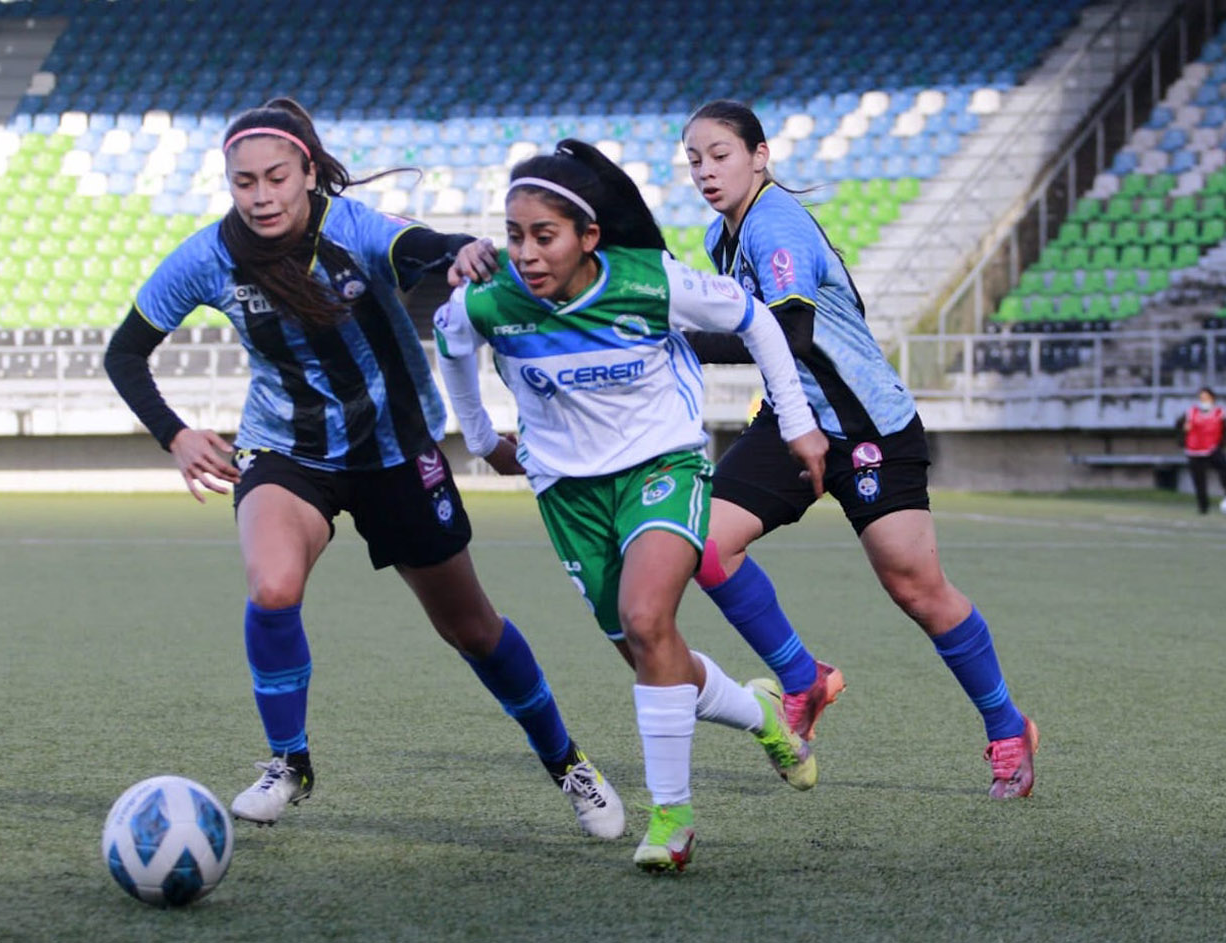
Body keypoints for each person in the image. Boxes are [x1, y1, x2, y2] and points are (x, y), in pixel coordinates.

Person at [103, 97, 626, 840]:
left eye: (276, 177)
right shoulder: (206, 255)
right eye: (243, 181)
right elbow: (124, 351)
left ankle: (568, 762)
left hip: (395, 452)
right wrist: (174, 434)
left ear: (309, 172)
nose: (260, 195)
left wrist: (462, 252)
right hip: (287, 450)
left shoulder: (349, 228)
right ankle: (289, 760)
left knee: (472, 628)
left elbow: (416, 247)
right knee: (273, 584)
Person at [434, 140, 826, 873]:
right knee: (653, 659)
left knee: (650, 622)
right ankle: (763, 714)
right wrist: (483, 438)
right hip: (568, 496)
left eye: (544, 236)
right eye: (515, 236)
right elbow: (449, 339)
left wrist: (799, 422)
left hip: (662, 466)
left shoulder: (650, 283)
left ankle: (671, 820)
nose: (526, 253)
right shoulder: (491, 302)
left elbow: (757, 319)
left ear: (588, 237)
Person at [680, 100, 1039, 799]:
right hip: (791, 418)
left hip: (869, 425)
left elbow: (791, 333)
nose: (705, 170)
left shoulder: (776, 220)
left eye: (720, 154)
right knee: (707, 543)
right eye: (694, 159)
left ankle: (1007, 727)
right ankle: (801, 677)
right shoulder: (719, 238)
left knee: (917, 588)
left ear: (760, 156)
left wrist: (678, 341)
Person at [1178, 386, 1226, 515]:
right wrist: (1184, 428)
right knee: (1199, 480)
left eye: (1206, 397)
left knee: (1224, 468)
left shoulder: (1219, 412)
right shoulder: (1191, 412)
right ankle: (1203, 507)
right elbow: (1179, 425)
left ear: (1212, 398)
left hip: (1212, 448)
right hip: (1194, 450)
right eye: (1201, 397)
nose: (1203, 400)